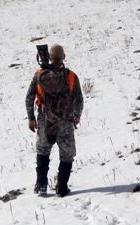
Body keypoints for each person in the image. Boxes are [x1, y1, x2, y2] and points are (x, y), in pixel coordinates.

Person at [25, 43, 84, 197]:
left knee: (43, 150)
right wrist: (76, 116)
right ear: (63, 57)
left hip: (45, 121)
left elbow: (29, 97)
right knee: (67, 154)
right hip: (65, 122)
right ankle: (62, 188)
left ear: (49, 58)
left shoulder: (39, 74)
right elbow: (79, 98)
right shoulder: (71, 76)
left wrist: (31, 118)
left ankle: (41, 185)